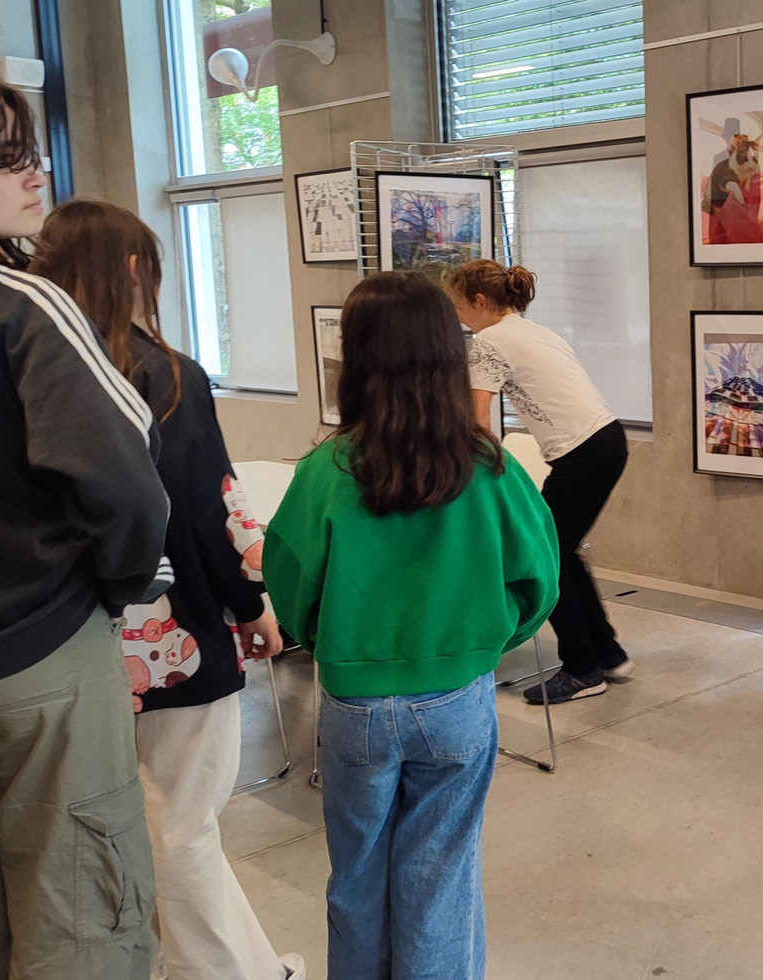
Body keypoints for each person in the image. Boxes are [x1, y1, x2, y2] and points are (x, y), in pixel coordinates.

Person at [0, 69, 169, 977]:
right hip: (37, 647)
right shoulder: (20, 303)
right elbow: (127, 485)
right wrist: (121, 588)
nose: (34, 173)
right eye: (4, 155)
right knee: (81, 911)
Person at [33, 200, 305, 980]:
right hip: (171, 635)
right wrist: (252, 606)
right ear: (130, 271)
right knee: (185, 821)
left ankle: (242, 965)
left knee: (120, 824)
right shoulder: (167, 376)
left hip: (57, 640)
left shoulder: (23, 365)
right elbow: (209, 506)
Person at [263, 271, 560, 978]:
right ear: (446, 353)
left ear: (356, 356)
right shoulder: (488, 467)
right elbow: (538, 578)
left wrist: (337, 644)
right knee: (441, 878)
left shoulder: (326, 469)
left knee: (356, 876)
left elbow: (289, 580)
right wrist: (486, 640)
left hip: (353, 703)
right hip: (457, 695)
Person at [446, 259, 634, 705]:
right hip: (607, 439)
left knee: (545, 558)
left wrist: (475, 474)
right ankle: (605, 652)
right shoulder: (536, 330)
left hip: (582, 452)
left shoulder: (488, 341)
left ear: (479, 301)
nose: (457, 317)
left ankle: (583, 670)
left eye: (458, 306)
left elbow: (478, 421)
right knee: (560, 552)